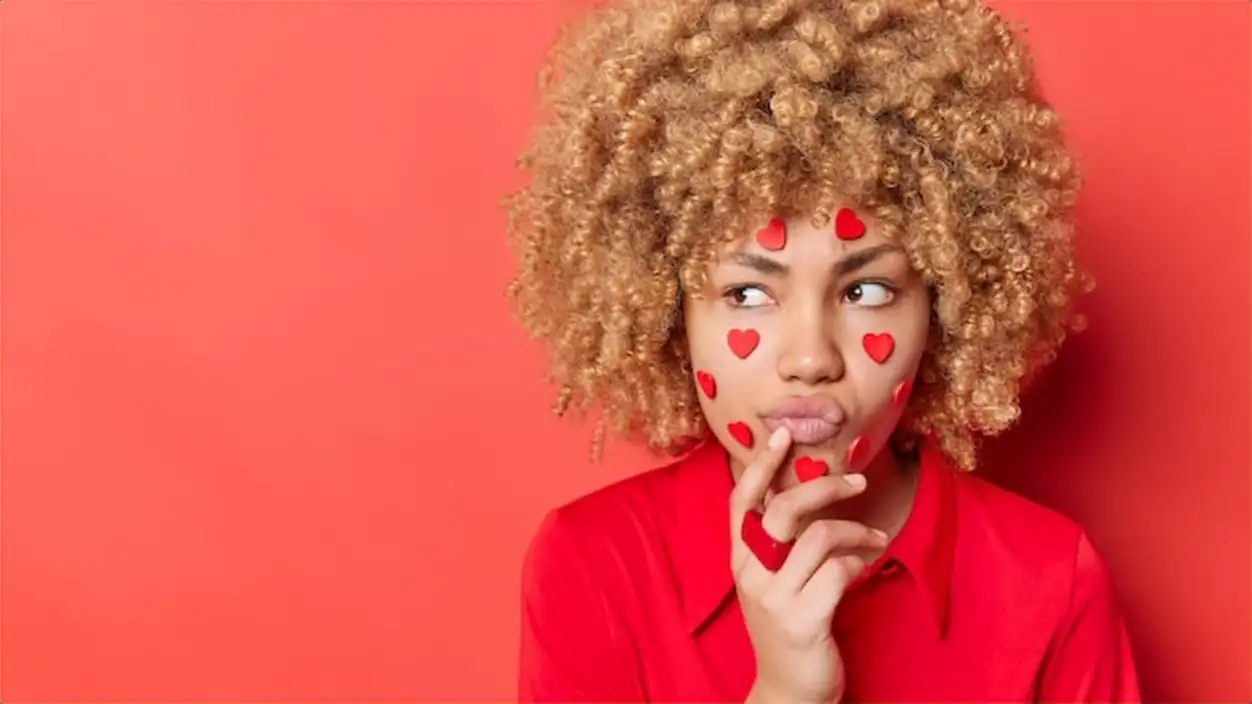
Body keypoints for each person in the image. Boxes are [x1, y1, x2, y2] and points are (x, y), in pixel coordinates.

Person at [501, 0, 1141, 701]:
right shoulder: (595, 567)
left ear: (947, 307)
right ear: (667, 313)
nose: (810, 358)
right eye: (748, 294)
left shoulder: (1049, 581)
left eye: (865, 290)